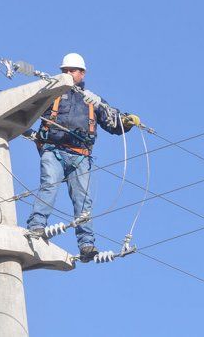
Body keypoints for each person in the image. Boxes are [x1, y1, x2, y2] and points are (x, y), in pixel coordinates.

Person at [25, 53, 141, 262]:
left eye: (72, 71)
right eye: (65, 71)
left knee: (83, 201)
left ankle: (86, 245)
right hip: (54, 150)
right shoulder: (51, 94)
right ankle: (36, 226)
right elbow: (28, 112)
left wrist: (127, 121)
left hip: (80, 156)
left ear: (82, 73)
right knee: (49, 186)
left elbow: (112, 121)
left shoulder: (91, 99)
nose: (68, 74)